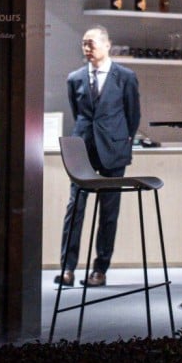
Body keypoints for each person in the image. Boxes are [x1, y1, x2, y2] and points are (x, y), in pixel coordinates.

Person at [56, 25, 141, 287]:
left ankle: (100, 270)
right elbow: (78, 112)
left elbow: (133, 115)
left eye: (91, 43)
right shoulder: (75, 78)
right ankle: (68, 268)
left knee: (109, 212)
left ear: (107, 45)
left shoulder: (125, 77)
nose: (86, 48)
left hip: (113, 150)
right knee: (75, 208)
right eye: (84, 44)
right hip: (83, 150)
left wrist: (121, 143)